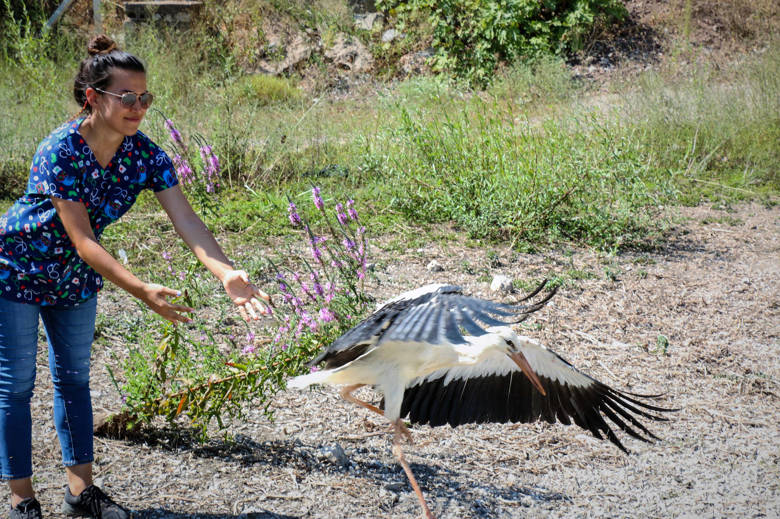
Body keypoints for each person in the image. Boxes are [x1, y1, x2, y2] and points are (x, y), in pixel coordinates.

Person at [0, 35, 270, 519]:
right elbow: (82, 238)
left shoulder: (145, 155)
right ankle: (22, 499)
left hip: (76, 277)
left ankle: (81, 494)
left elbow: (187, 221)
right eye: (127, 97)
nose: (138, 107)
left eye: (145, 97)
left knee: (73, 380)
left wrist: (227, 271)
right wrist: (142, 290)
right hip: (18, 269)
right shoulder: (59, 149)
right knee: (17, 384)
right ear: (93, 98)